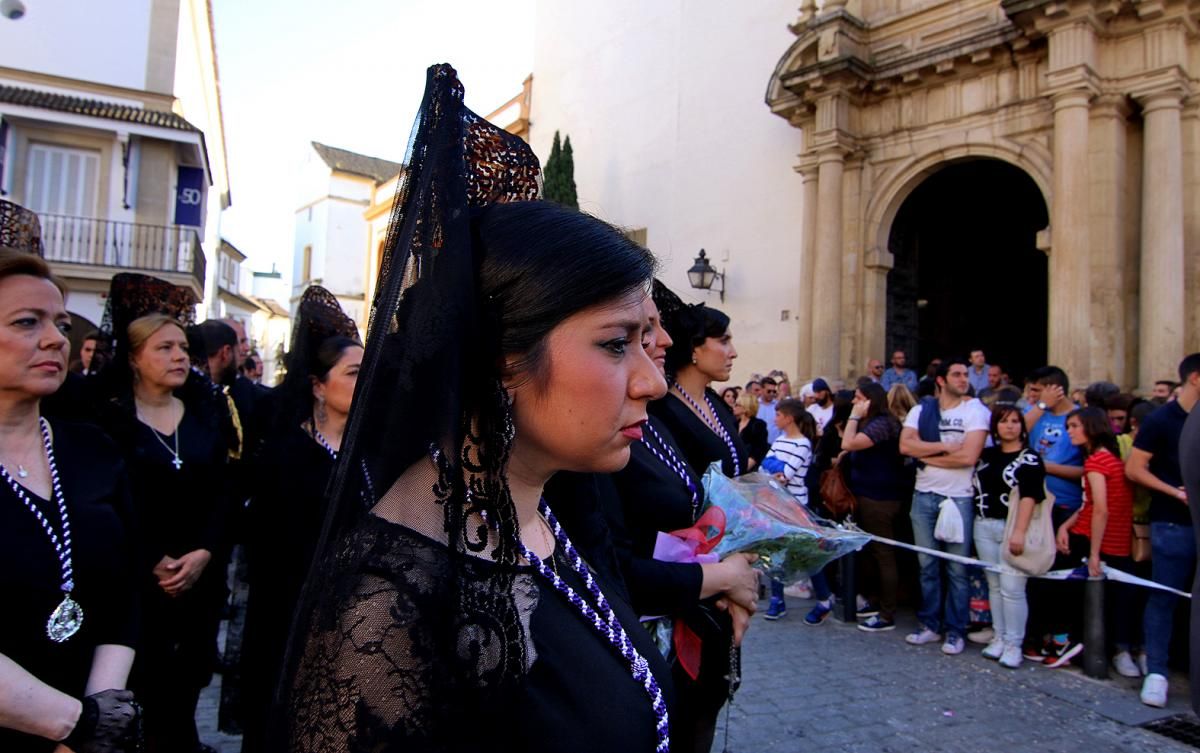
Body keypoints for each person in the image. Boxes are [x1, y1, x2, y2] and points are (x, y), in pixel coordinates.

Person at [281, 66, 674, 753]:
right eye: (617, 343)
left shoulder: (543, 508)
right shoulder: (386, 605)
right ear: (502, 360)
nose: (652, 382)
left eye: (647, 342)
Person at [0, 243, 141, 752]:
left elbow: (124, 592)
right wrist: (71, 724)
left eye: (60, 323)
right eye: (26, 323)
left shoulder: (92, 449)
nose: (56, 339)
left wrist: (101, 716)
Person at [94, 275, 238, 753]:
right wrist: (151, 557)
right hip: (138, 581)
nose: (179, 356)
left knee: (185, 690)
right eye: (164, 348)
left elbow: (222, 494)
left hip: (198, 579)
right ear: (134, 358)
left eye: (182, 347)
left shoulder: (203, 416)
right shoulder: (110, 423)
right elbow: (109, 503)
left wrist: (204, 553)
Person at [609, 290, 757, 753]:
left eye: (654, 329)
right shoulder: (654, 415)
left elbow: (706, 494)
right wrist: (720, 575)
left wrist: (735, 562)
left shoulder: (659, 419)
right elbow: (617, 561)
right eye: (633, 334)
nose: (662, 342)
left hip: (695, 594)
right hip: (663, 609)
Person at [239, 287, 362, 753]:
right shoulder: (288, 456)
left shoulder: (369, 454)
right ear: (317, 385)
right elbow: (271, 552)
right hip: (294, 621)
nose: (364, 382)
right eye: (353, 374)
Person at [899, 357, 990, 655]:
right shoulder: (920, 410)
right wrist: (943, 446)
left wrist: (926, 456)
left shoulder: (975, 410)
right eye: (957, 374)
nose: (964, 379)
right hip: (923, 495)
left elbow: (968, 457)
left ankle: (955, 629)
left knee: (957, 569)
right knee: (927, 565)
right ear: (941, 380)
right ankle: (929, 625)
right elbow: (905, 446)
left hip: (958, 497)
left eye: (966, 374)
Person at [1127, 353, 1200, 708]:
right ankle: (1157, 671)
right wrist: (1175, 492)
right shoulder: (1161, 420)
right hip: (1172, 520)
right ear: (1196, 379)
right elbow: (1135, 467)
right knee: (1164, 595)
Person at [1043, 408, 1136, 670]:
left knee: (1065, 594)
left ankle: (1066, 642)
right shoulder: (1110, 460)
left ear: (1091, 427)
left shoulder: (1096, 463)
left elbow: (1101, 508)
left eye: (1074, 426)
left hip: (1095, 540)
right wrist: (1066, 526)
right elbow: (1090, 503)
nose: (1069, 431)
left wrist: (1094, 552)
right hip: (1101, 535)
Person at [970, 404, 1045, 668]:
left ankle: (1015, 643)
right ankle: (999, 635)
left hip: (1011, 525)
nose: (1010, 426)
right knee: (995, 586)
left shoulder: (1030, 458)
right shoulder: (987, 455)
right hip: (983, 524)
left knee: (1013, 589)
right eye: (1003, 421)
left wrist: (1019, 532)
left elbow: (1030, 496)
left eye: (1015, 421)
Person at [651, 289, 745, 481]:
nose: (733, 353)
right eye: (724, 341)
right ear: (695, 347)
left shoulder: (715, 402)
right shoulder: (663, 412)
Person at [842, 382, 907, 632]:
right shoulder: (876, 423)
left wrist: (854, 417)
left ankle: (887, 612)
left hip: (881, 497)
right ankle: (875, 600)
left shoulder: (881, 424)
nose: (854, 403)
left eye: (858, 398)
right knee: (872, 554)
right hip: (868, 494)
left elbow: (849, 443)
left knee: (884, 554)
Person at [761, 400, 819, 621]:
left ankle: (824, 598)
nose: (775, 419)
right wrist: (775, 467)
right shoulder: (781, 440)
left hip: (795, 503)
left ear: (789, 417)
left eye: (778, 415)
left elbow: (787, 472)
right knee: (776, 552)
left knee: (806, 552)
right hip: (777, 501)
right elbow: (765, 464)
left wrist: (775, 467)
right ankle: (777, 599)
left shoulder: (802, 443)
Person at [733, 391, 769, 471]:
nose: (734, 407)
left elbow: (760, 448)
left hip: (750, 469)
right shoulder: (734, 424)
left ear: (746, 407)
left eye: (737, 405)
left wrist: (746, 466)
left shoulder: (758, 425)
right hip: (734, 466)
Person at [758, 376, 781, 444]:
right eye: (769, 391)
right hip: (758, 446)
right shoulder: (755, 405)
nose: (772, 394)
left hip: (774, 445)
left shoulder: (779, 406)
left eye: (774, 391)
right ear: (761, 389)